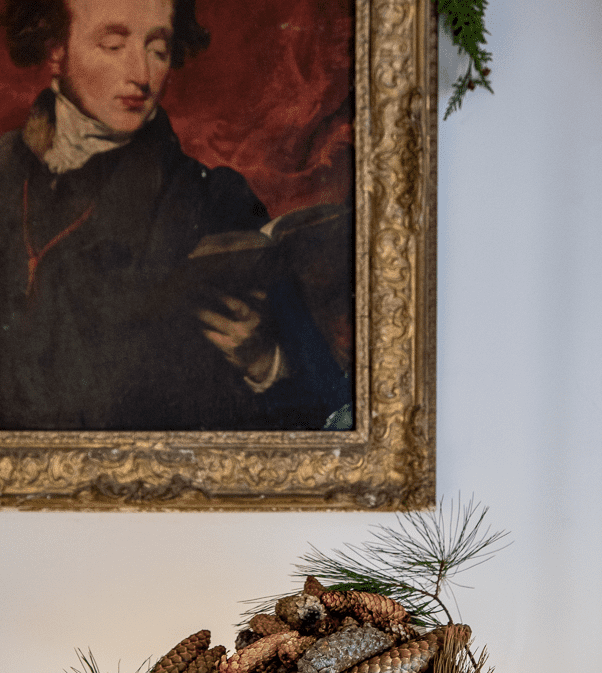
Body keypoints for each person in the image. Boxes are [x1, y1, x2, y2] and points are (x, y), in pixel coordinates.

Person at [0, 0, 351, 430]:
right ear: (55, 50)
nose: (141, 75)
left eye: (158, 49)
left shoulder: (214, 199)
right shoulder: (4, 170)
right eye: (112, 45)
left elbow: (326, 409)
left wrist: (264, 361)